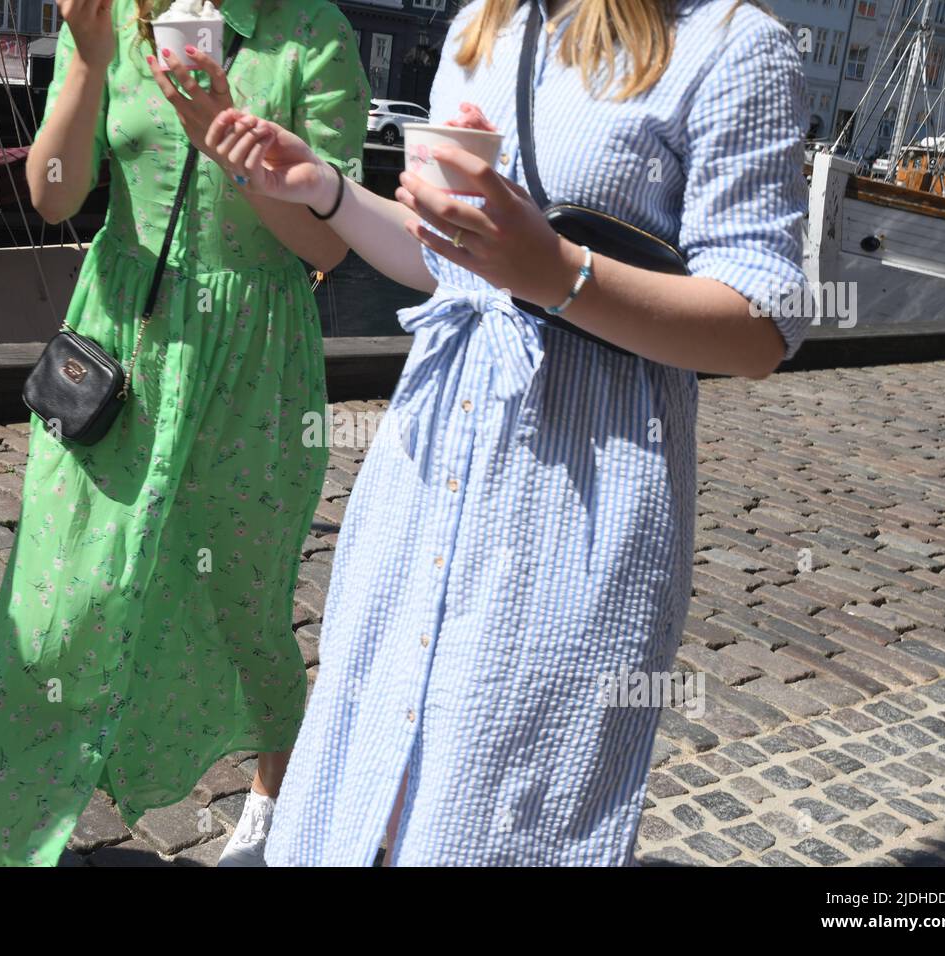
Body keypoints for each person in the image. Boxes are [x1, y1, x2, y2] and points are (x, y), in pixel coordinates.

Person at [204, 0, 812, 864]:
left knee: (503, 813)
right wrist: (327, 193)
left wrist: (556, 274)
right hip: (423, 475)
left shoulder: (729, 45)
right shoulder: (480, 28)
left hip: (575, 496)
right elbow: (447, 265)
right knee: (363, 783)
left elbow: (760, 323)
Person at [0, 0, 369, 867]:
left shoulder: (310, 33)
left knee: (244, 597)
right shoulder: (103, 15)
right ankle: (15, 833)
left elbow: (323, 245)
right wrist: (90, 59)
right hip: (121, 337)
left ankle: (272, 806)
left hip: (253, 354)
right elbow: (55, 195)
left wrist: (226, 136)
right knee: (62, 593)